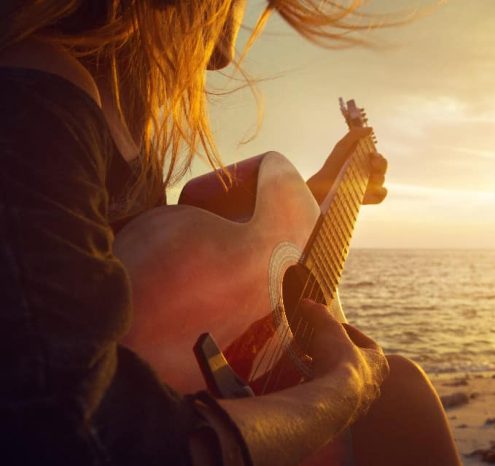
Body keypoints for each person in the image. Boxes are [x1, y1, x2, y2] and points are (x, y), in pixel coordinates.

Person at [0, 1, 461, 465]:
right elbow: (77, 435)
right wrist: (340, 393)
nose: (221, 54)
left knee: (400, 388)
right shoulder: (34, 99)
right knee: (399, 397)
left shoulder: (103, 121)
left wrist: (328, 190)